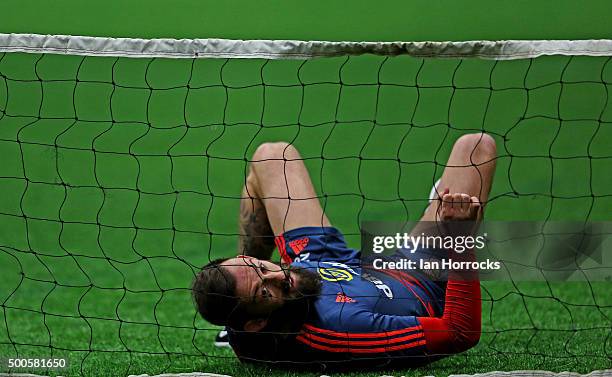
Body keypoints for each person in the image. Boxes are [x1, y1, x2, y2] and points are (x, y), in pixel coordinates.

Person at [192, 133, 497, 369]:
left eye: (261, 266)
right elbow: (459, 334)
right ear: (256, 323)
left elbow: (261, 282)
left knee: (272, 156)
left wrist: (261, 289)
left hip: (320, 263)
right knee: (476, 147)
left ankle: (440, 208)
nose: (277, 275)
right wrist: (459, 239)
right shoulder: (340, 327)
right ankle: (444, 214)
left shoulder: (256, 309)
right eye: (264, 292)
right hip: (412, 278)